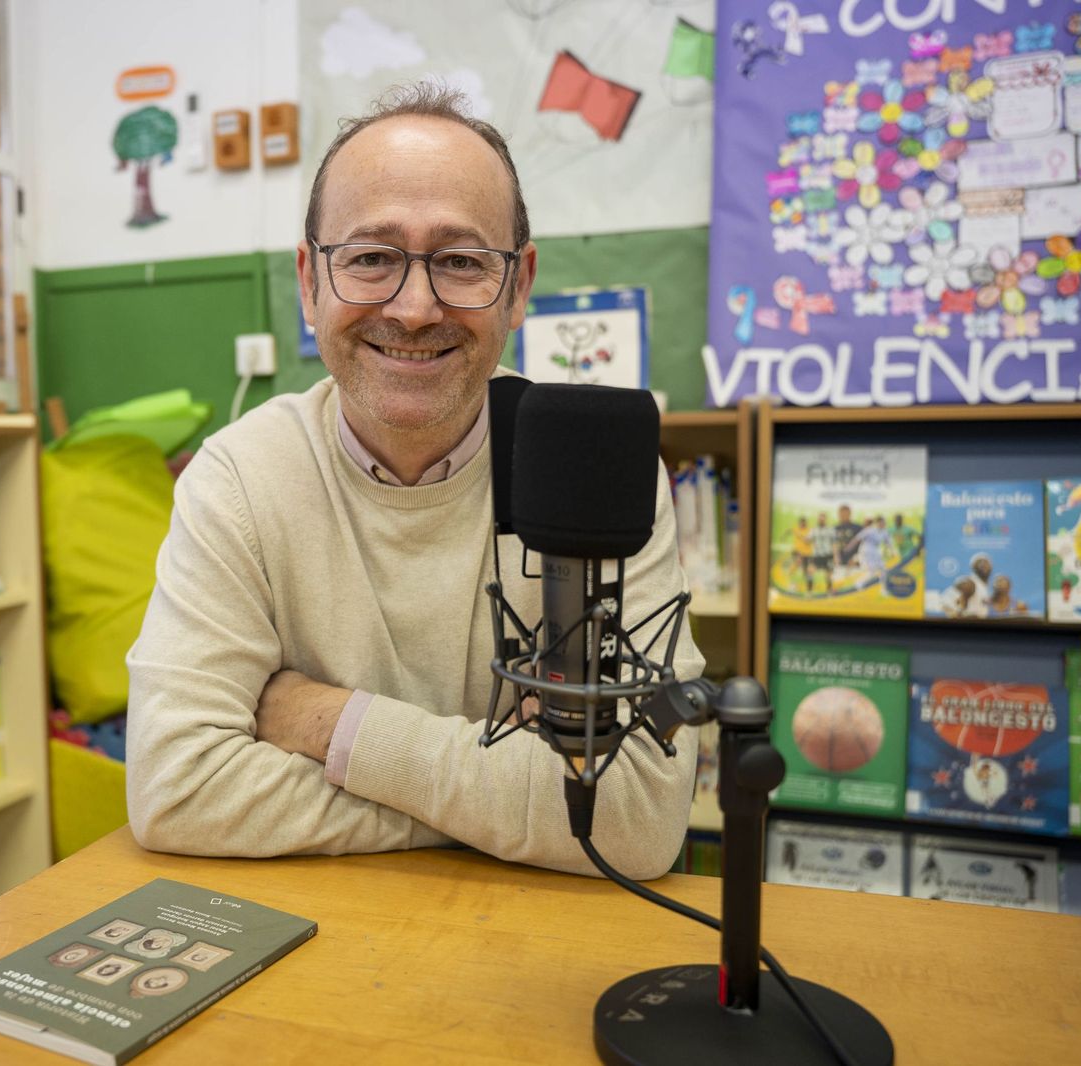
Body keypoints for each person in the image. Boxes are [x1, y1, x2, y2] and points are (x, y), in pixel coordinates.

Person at [125, 83, 704, 880]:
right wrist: (503, 801)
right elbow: (179, 787)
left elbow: (637, 817)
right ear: (309, 281)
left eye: (461, 261)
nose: (415, 307)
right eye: (371, 258)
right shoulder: (238, 480)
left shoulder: (599, 471)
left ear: (519, 286)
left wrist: (331, 723)